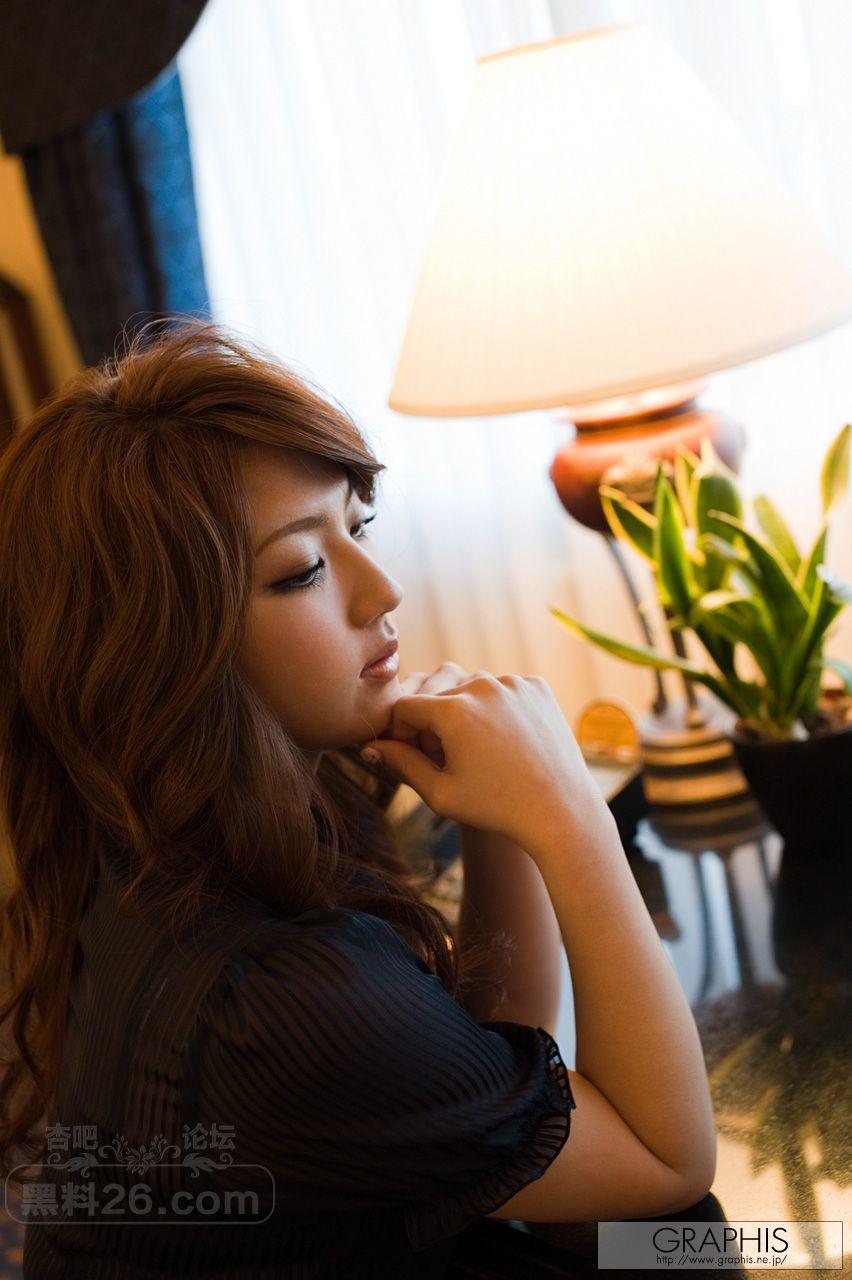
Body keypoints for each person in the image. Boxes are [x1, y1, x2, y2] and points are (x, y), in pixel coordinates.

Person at [0, 319, 716, 1279]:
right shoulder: (272, 996)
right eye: (302, 569)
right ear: (162, 650)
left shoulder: (181, 837)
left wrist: (504, 819)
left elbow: (478, 1084)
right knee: (718, 1252)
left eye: (360, 527)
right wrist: (570, 816)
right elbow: (663, 1165)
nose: (383, 590)